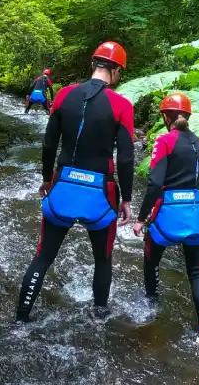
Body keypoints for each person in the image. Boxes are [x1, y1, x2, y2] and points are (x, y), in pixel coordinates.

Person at [16, 42, 135, 322]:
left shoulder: (65, 95)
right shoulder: (122, 105)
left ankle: (20, 317)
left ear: (93, 64)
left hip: (62, 186)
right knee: (103, 260)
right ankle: (99, 317)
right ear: (117, 71)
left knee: (43, 257)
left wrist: (47, 179)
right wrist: (127, 199)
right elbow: (127, 158)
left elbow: (48, 144)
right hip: (101, 194)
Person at [132, 93, 199, 345]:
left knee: (151, 260)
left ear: (166, 117)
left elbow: (155, 183)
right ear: (187, 116)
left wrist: (141, 218)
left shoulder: (164, 141)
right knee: (196, 273)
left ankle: (151, 302)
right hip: (196, 211)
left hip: (168, 213)